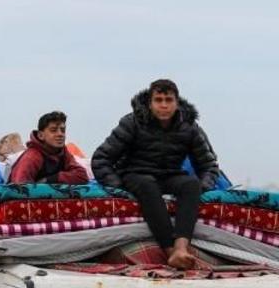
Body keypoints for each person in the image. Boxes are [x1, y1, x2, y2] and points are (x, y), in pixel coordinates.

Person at [92, 79, 220, 269]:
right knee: (147, 185)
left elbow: (209, 165)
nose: (164, 105)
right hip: (135, 173)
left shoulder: (189, 127)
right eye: (158, 100)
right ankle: (170, 252)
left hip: (170, 174)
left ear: (177, 103)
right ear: (150, 103)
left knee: (191, 185)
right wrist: (118, 187)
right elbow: (101, 159)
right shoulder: (132, 122)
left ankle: (181, 247)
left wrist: (204, 186)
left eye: (169, 100)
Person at [8, 111, 90, 185]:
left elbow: (82, 175)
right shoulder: (32, 156)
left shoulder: (62, 152)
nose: (60, 134)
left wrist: (51, 179)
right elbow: (19, 187)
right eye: (53, 130)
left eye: (63, 130)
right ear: (41, 135)